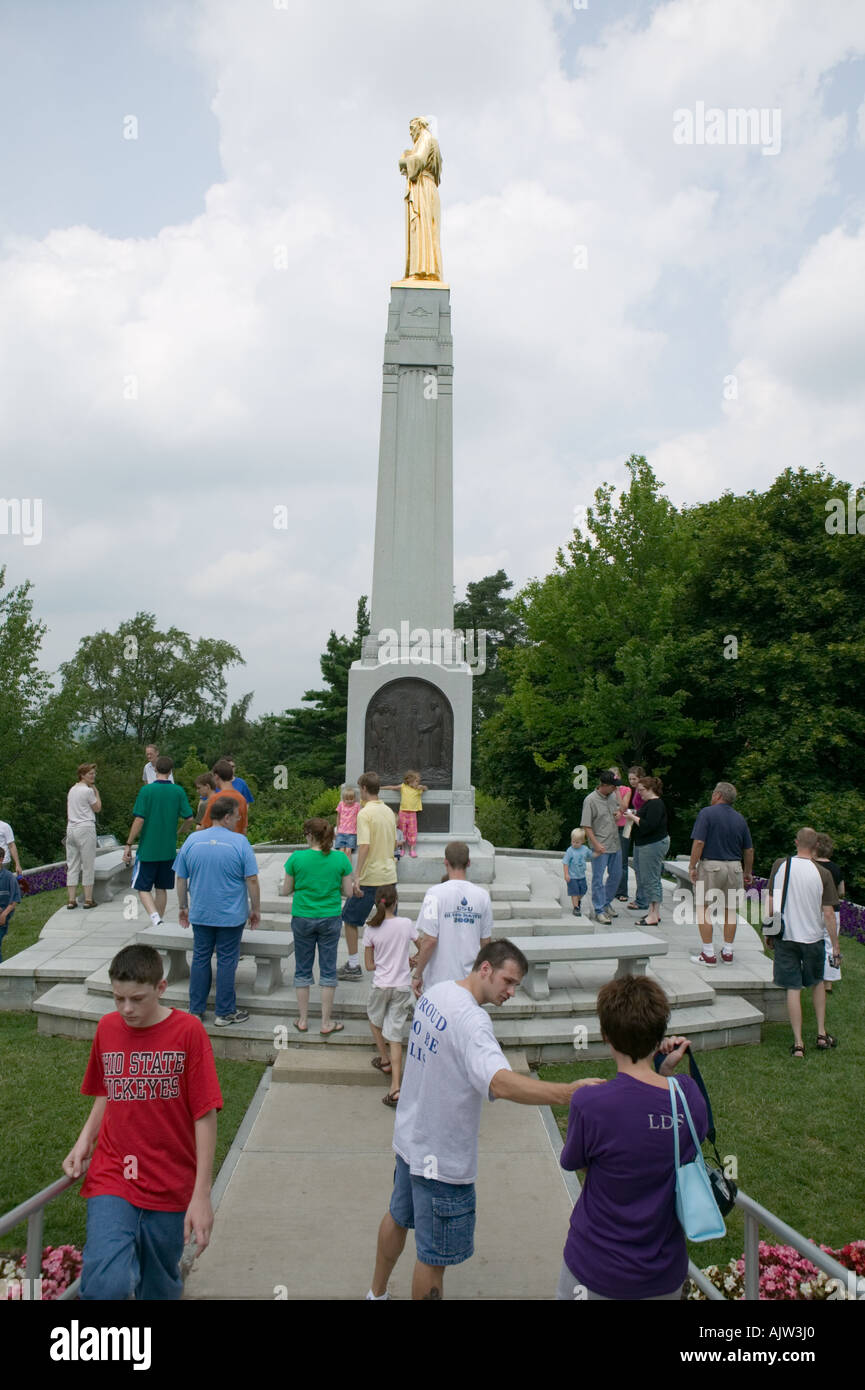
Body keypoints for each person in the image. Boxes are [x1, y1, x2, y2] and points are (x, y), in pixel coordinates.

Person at [367, 939, 602, 1300]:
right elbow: (500, 1083)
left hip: (410, 1141)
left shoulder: (437, 992)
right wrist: (568, 1094)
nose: (511, 992)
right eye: (507, 981)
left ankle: (376, 1294)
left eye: (516, 986)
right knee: (432, 1258)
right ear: (485, 968)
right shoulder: (474, 1022)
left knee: (397, 1217)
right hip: (441, 1159)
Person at [62, 943, 222, 1300]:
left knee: (160, 1285)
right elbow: (108, 1090)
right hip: (113, 1174)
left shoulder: (188, 1032)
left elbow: (205, 1114)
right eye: (118, 999)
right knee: (107, 1283)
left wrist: (202, 1194)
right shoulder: (107, 1029)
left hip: (169, 1180)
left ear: (161, 988)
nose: (126, 1009)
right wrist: (84, 1139)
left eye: (137, 998)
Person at [557, 976, 707, 1300]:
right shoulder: (689, 1096)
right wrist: (663, 1072)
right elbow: (674, 1147)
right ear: (659, 1035)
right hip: (663, 1275)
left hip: (594, 1269)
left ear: (605, 1035)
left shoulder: (590, 1103)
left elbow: (576, 1162)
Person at [173, 797, 261, 1027]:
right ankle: (224, 1012)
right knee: (226, 960)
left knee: (200, 958)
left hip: (201, 912)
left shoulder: (191, 840)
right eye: (237, 816)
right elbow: (251, 879)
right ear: (227, 817)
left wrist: (182, 906)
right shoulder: (240, 842)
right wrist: (256, 909)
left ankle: (196, 1010)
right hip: (230, 915)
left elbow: (181, 878)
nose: (239, 820)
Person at [767, 828, 841, 1058]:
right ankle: (821, 1033)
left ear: (796, 842)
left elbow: (771, 901)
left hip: (786, 936)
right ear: (817, 845)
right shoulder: (822, 873)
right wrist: (836, 945)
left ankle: (798, 1043)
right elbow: (828, 913)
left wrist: (769, 933)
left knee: (793, 988)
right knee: (818, 982)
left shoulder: (780, 865)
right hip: (813, 938)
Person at [281, 818, 353, 1035]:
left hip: (302, 915)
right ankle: (325, 1023)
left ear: (309, 835)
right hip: (330, 916)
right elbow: (348, 892)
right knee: (328, 968)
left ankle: (303, 1020)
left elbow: (286, 890)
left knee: (302, 967)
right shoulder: (340, 858)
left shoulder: (296, 858)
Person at [411, 842, 494, 996]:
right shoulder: (483, 896)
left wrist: (418, 974)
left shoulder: (433, 894)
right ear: (468, 863)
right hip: (470, 981)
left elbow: (429, 940)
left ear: (445, 862)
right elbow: (485, 942)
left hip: (438, 980)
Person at [338, 772, 397, 982]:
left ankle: (353, 965)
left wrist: (357, 876)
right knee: (388, 923)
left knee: (350, 918)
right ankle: (389, 967)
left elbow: (364, 846)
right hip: (389, 875)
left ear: (363, 789)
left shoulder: (364, 814)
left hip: (371, 877)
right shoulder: (389, 812)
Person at [123, 755, 194, 928]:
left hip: (148, 849)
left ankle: (156, 919)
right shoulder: (178, 791)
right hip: (168, 849)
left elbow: (139, 819)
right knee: (161, 888)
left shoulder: (146, 791)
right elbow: (190, 818)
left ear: (155, 770)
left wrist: (129, 843)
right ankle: (158, 923)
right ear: (171, 771)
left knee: (142, 887)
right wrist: (180, 831)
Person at [363, 884, 419, 1107]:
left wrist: (385, 962)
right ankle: (395, 1087)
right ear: (395, 902)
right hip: (402, 986)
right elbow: (423, 945)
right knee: (395, 1035)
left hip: (381, 985)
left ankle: (384, 1058)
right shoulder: (406, 924)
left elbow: (368, 965)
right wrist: (411, 961)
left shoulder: (371, 928)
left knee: (374, 1020)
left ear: (377, 902)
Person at [688, 782, 754, 965]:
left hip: (712, 867)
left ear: (717, 795)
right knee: (730, 911)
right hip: (735, 867)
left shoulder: (707, 813)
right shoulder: (740, 818)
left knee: (704, 908)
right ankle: (728, 951)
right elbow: (748, 849)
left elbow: (699, 842)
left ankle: (708, 954)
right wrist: (748, 872)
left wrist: (692, 866)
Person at [398, 116, 443, 282]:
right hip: (423, 187)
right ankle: (420, 270)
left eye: (412, 127)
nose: (411, 132)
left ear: (420, 126)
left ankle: (422, 271)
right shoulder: (425, 140)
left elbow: (418, 160)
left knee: (422, 226)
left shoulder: (426, 138)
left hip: (423, 187)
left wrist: (403, 160)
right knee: (422, 228)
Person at [624, 776, 670, 927]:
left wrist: (632, 817)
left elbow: (648, 825)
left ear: (651, 789)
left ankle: (653, 914)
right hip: (648, 844)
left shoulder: (656, 804)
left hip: (653, 845)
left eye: (642, 790)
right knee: (652, 879)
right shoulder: (650, 803)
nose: (639, 793)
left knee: (650, 879)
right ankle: (654, 912)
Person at [580, 771, 622, 925]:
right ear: (604, 785)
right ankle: (599, 910)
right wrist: (596, 844)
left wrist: (618, 814)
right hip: (600, 846)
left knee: (617, 875)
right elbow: (586, 825)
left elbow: (619, 809)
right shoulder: (590, 800)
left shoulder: (612, 797)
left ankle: (606, 902)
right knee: (598, 878)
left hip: (615, 843)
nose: (615, 789)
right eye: (613, 786)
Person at [66, 764, 101, 910]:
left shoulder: (72, 790)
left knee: (72, 864)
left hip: (71, 828)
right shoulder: (87, 791)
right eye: (90, 774)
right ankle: (88, 899)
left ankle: (71, 900)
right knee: (88, 865)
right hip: (85, 827)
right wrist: (96, 793)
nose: (93, 776)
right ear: (82, 775)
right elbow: (97, 808)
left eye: (93, 773)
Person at [814, 833, 844, 991]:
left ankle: (813, 975)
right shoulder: (836, 868)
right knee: (830, 944)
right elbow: (841, 891)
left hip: (813, 909)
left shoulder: (811, 866)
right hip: (833, 909)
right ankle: (829, 982)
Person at [383, 771, 427, 859]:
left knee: (412, 831)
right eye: (416, 781)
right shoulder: (403, 786)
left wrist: (422, 787)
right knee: (402, 831)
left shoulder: (418, 789)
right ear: (410, 781)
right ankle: (402, 848)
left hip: (412, 814)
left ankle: (412, 849)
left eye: (418, 781)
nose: (418, 783)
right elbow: (392, 787)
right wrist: (380, 788)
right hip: (403, 812)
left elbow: (426, 788)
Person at [200, 760, 248, 835]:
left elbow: (206, 826)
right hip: (235, 842)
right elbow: (244, 828)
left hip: (219, 842)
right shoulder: (242, 799)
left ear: (216, 776)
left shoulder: (215, 798)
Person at [609, 766, 633, 902]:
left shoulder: (626, 790)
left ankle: (622, 891)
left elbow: (623, 807)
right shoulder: (606, 790)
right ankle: (612, 888)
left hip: (623, 828)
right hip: (610, 827)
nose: (614, 778)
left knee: (622, 860)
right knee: (611, 861)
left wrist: (617, 790)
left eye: (615, 776)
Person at [624, 766, 647, 910]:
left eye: (634, 778)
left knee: (642, 869)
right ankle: (640, 898)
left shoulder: (643, 791)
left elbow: (644, 810)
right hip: (637, 827)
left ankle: (642, 900)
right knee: (638, 868)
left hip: (642, 828)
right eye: (630, 778)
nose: (632, 781)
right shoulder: (636, 790)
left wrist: (633, 814)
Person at [0, 846, 22, 960]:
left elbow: (15, 899)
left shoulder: (8, 877)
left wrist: (4, 914)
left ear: (1, 859)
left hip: (3, 914)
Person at [562, 828, 590, 916]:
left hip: (581, 876)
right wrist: (566, 874)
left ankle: (578, 901)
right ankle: (576, 908)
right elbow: (565, 863)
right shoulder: (570, 850)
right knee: (574, 892)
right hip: (572, 876)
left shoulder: (585, 849)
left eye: (577, 842)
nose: (574, 844)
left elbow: (591, 854)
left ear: (582, 841)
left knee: (584, 890)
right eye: (573, 841)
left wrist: (599, 853)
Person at [334, 785, 360, 864]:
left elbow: (359, 818)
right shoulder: (341, 804)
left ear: (354, 798)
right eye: (347, 799)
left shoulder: (357, 805)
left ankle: (348, 870)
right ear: (343, 799)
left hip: (352, 833)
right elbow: (338, 817)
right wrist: (338, 829)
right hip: (341, 832)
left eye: (351, 799)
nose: (349, 801)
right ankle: (341, 868)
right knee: (341, 852)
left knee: (348, 851)